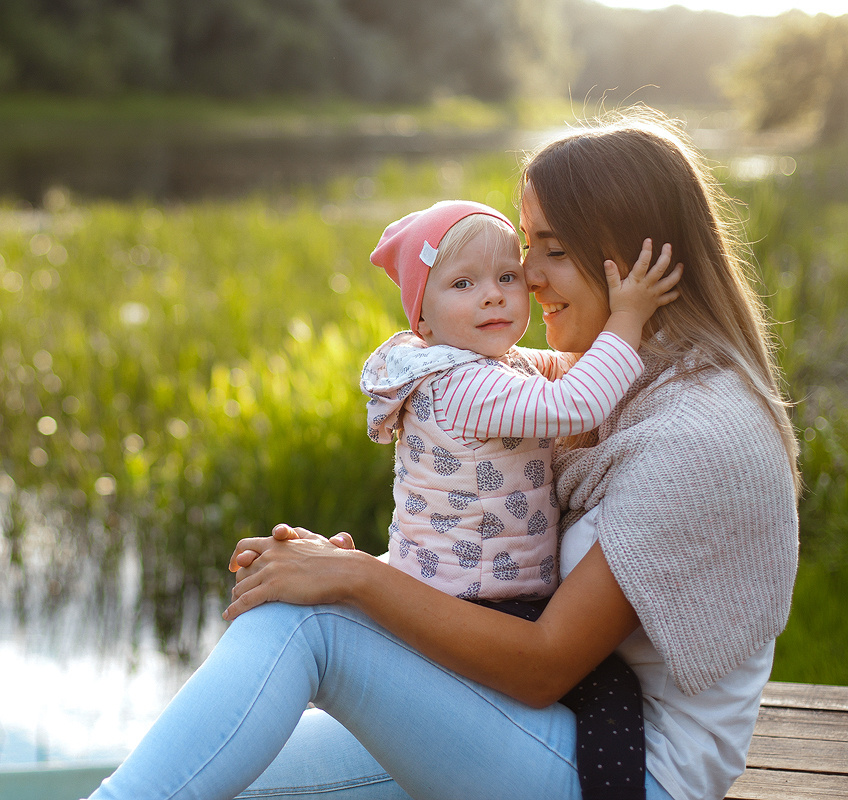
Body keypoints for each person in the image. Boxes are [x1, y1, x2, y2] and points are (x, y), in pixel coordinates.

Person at [85, 107, 799, 800]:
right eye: (528, 245)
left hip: (624, 772)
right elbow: (493, 558)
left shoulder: (696, 435)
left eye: (551, 247)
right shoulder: (621, 379)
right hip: (554, 724)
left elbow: (545, 665)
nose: (527, 275)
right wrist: (370, 570)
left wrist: (357, 581)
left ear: (634, 258)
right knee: (228, 768)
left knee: (309, 619)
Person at [361, 198, 678, 799]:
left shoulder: (482, 365)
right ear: (421, 318)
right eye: (463, 283)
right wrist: (628, 319)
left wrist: (635, 350)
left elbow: (567, 369)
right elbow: (578, 402)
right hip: (478, 600)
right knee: (609, 691)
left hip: (464, 590)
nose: (494, 296)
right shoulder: (467, 384)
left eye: (507, 277)